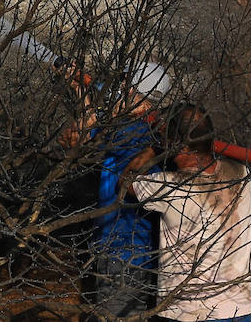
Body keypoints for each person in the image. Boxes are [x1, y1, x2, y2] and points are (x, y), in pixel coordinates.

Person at [128, 104, 251, 322]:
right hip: (244, 308)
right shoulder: (241, 174)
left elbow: (125, 182)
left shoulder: (168, 185)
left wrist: (153, 148)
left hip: (189, 313)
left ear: (174, 143)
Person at [61, 62, 172, 320]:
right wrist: (87, 101)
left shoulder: (138, 130)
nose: (117, 93)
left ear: (144, 100)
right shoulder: (132, 124)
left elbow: (75, 137)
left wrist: (89, 106)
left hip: (125, 252)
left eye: (125, 89)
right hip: (132, 250)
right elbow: (74, 138)